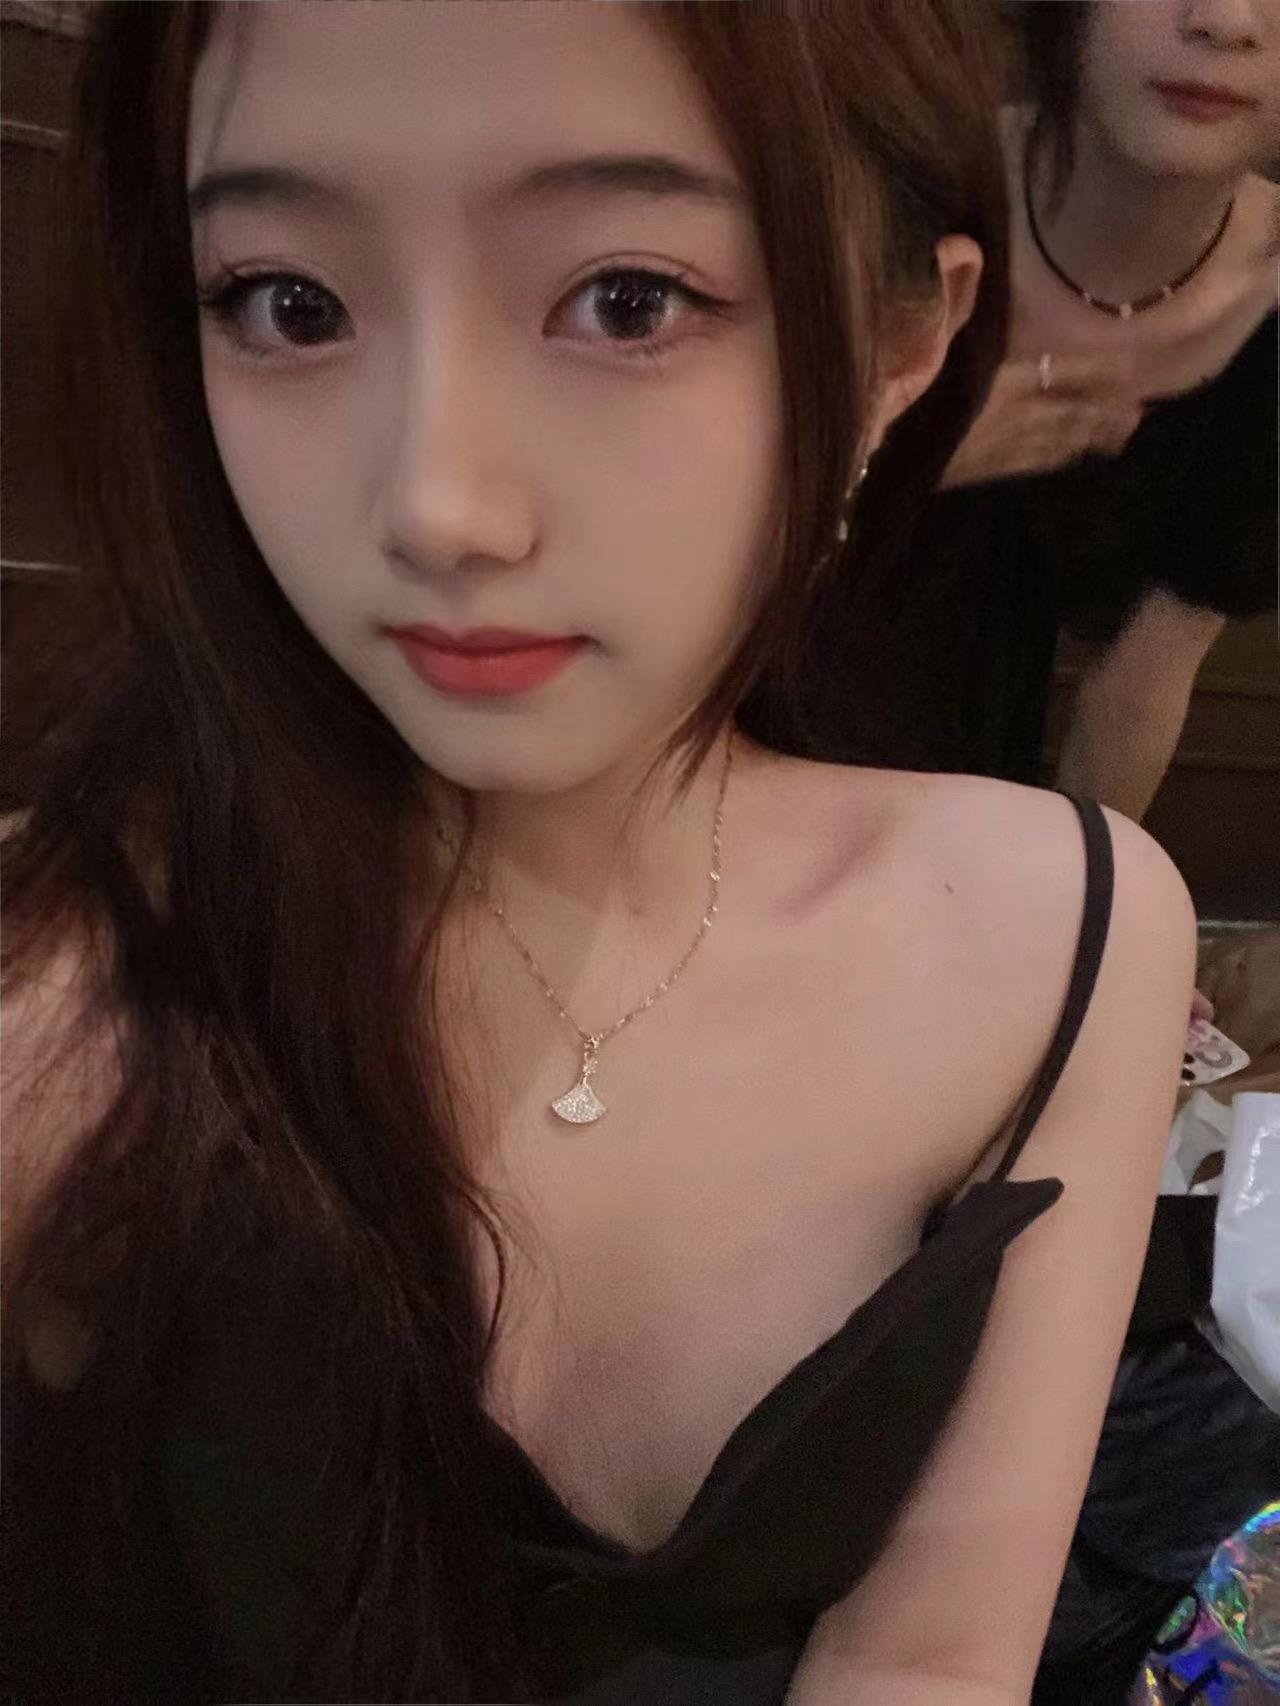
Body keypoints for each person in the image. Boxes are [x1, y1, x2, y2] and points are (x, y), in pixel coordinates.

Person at [1, 5, 1195, 1704]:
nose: (437, 506)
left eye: (628, 299)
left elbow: (928, 1657)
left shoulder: (1060, 936)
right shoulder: (75, 990)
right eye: (289, 302)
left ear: (902, 340)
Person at [743, 0, 1278, 824]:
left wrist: (1080, 888)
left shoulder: (1267, 329)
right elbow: (677, 527)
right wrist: (918, 455)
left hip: (953, 790)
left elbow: (1141, 680)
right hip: (714, 716)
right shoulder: (889, 178)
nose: (1226, 19)